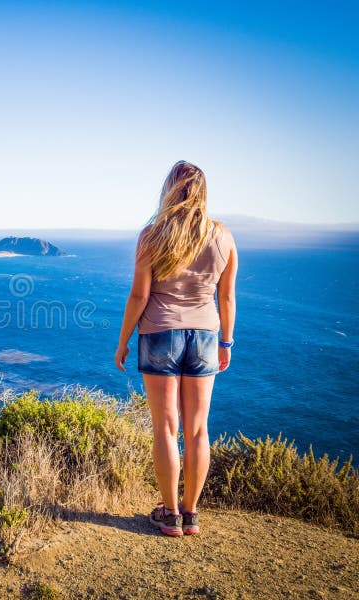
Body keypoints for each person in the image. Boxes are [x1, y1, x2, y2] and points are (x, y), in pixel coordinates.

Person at [114, 160, 238, 536]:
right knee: (198, 429)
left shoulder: (152, 235)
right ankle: (191, 513)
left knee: (166, 428)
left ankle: (169, 515)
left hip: (159, 334)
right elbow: (228, 297)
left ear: (169, 189)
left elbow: (139, 295)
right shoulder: (223, 237)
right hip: (204, 337)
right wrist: (226, 342)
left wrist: (122, 342)